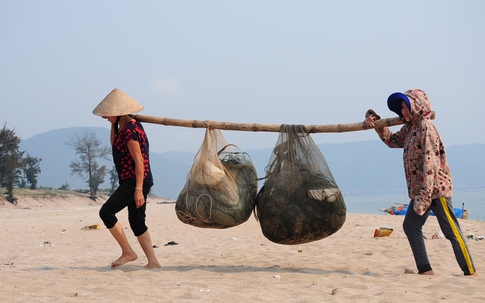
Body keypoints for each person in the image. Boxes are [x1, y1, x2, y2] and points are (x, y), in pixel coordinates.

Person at [364, 88, 476, 276]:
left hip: (435, 189)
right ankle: (425, 270)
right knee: (410, 226)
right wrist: (376, 122)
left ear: (416, 106)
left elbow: (430, 163)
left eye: (406, 106)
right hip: (420, 191)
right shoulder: (410, 128)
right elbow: (391, 140)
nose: (403, 112)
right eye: (401, 108)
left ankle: (470, 271)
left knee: (451, 231)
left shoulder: (426, 126)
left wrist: (424, 197)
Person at [92, 88, 161, 269]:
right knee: (137, 221)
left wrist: (138, 190)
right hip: (138, 180)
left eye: (108, 115)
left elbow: (139, 162)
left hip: (135, 180)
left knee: (106, 212)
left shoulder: (130, 131)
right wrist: (113, 124)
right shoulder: (126, 127)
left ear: (118, 112)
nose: (106, 117)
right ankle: (153, 262)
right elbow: (114, 144)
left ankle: (128, 252)